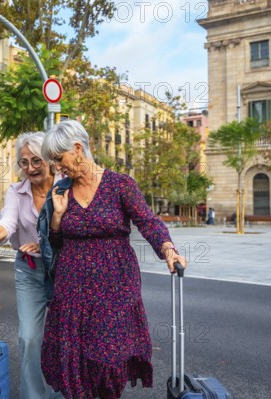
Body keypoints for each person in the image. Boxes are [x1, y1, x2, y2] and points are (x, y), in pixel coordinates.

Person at [39, 120, 187, 399]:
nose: (57, 167)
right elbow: (56, 243)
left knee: (109, 360)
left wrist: (168, 249)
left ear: (78, 149)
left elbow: (149, 222)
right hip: (72, 290)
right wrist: (57, 217)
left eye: (59, 159)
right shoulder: (60, 192)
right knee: (77, 363)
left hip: (115, 287)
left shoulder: (120, 185)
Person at [0, 132, 62, 399]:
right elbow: (9, 221)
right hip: (29, 270)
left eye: (36, 161)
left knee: (67, 339)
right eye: (24, 162)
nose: (30, 168)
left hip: (64, 271)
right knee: (29, 338)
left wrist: (46, 244)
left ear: (49, 159)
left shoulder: (66, 187)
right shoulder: (16, 190)